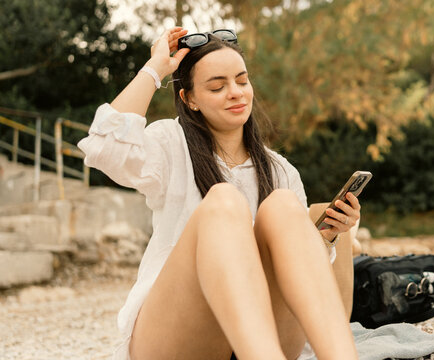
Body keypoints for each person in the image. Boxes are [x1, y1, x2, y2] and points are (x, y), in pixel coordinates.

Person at [78, 27, 360, 360]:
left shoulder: (280, 170)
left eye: (242, 81)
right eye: (217, 86)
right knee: (225, 201)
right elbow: (104, 148)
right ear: (190, 99)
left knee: (284, 205)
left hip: (262, 336)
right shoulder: (171, 144)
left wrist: (327, 237)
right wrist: (154, 70)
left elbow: (302, 285)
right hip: (177, 335)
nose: (236, 93)